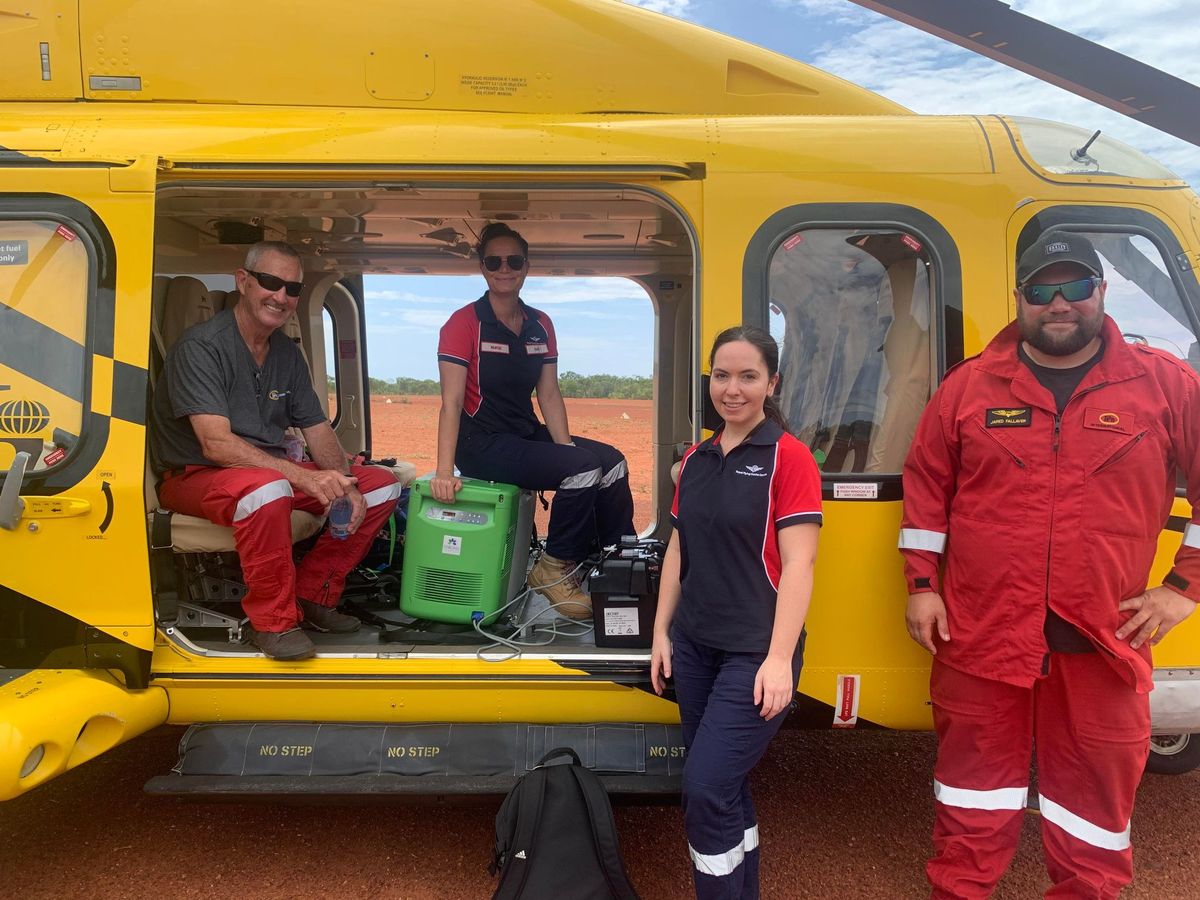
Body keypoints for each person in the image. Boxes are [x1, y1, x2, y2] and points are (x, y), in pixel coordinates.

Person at [899, 229, 1200, 897]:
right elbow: (927, 490)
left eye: (1075, 286)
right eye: (1042, 289)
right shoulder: (969, 386)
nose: (1059, 302)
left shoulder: (1165, 384)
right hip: (981, 634)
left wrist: (1185, 587)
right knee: (971, 800)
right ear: (1020, 298)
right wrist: (921, 585)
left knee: (1094, 816)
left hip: (1105, 638)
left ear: (1102, 291)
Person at [151, 241, 402, 661]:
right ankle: (273, 623)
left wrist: (347, 484)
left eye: (292, 288)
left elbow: (318, 429)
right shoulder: (202, 347)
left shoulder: (285, 352)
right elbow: (215, 444)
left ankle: (314, 595)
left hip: (266, 473)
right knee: (269, 489)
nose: (281, 297)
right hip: (196, 475)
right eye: (270, 282)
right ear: (243, 281)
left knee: (380, 486)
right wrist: (304, 477)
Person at [651, 326, 822, 899]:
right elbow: (678, 549)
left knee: (704, 787)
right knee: (724, 786)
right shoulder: (695, 460)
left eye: (748, 376)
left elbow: (799, 564)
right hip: (695, 646)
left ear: (771, 384)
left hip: (754, 653)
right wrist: (662, 632)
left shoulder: (789, 458)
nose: (733, 389)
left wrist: (779, 660)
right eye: (722, 375)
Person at [433, 222, 635, 619]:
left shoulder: (540, 324)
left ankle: (618, 565)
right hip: (481, 444)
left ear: (526, 266)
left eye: (514, 260)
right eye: (494, 261)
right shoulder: (464, 323)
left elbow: (549, 393)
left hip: (524, 434)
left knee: (611, 462)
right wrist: (443, 471)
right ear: (482, 267)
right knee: (583, 468)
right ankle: (553, 567)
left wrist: (565, 450)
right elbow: (451, 402)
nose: (504, 269)